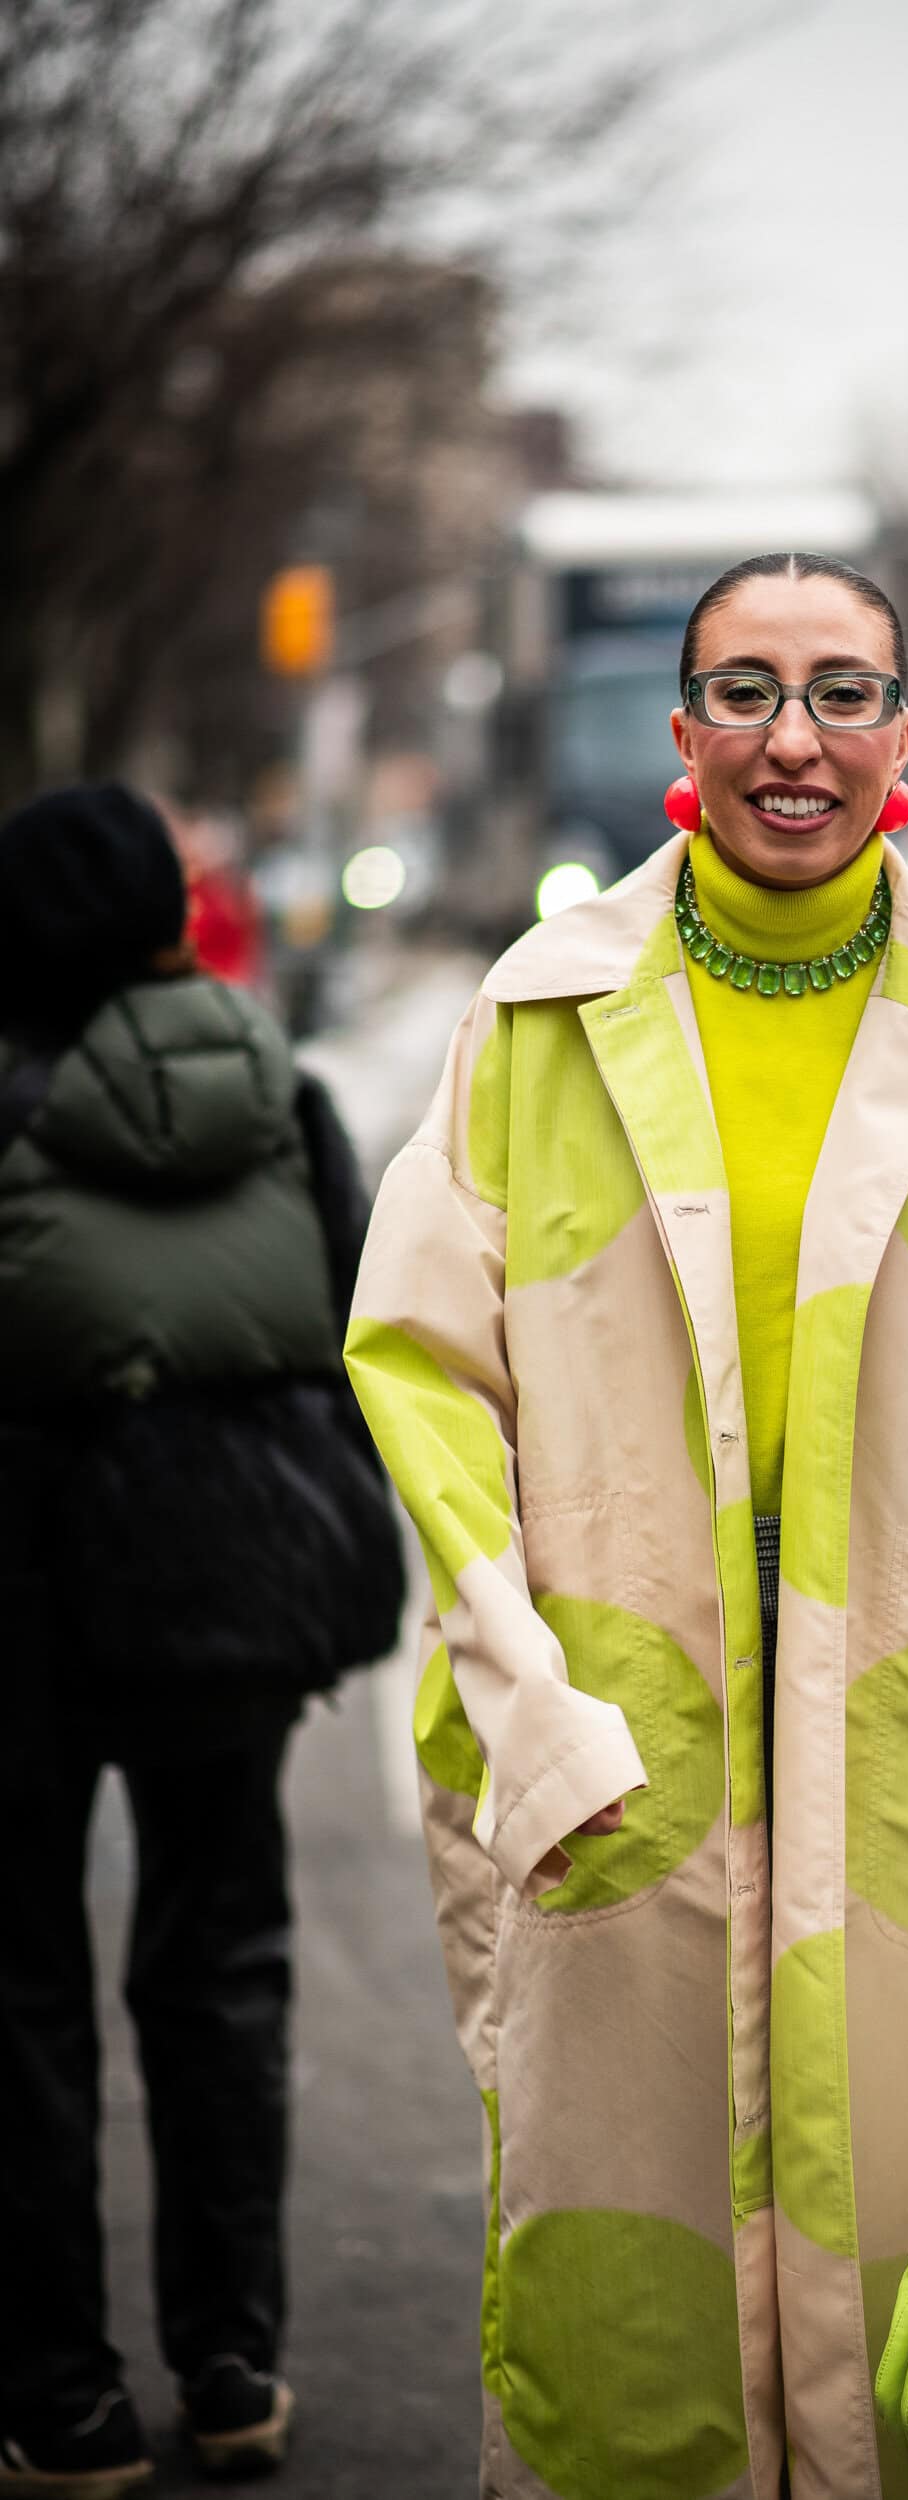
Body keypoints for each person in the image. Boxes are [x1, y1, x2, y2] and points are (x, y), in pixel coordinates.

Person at [346, 553, 908, 2500]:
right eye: (746, 693)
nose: (794, 739)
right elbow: (420, 1369)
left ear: (907, 739)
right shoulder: (541, 1016)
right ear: (683, 739)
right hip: (616, 1786)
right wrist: (525, 1695)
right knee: (625, 2321)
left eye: (843, 693)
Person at [0, 784, 404, 2495]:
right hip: (230, 1589)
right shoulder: (283, 1099)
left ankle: (65, 2404)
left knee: (21, 1987)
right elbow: (363, 1336)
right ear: (177, 916)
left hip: (23, 1597)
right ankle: (231, 2367)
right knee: (220, 1955)